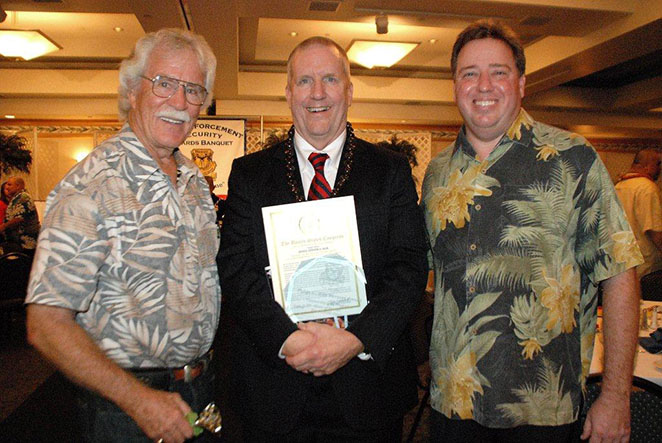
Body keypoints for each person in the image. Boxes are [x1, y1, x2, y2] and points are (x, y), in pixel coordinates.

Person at [421, 20, 642, 442]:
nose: (483, 85)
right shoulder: (436, 175)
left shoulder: (573, 159)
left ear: (521, 84)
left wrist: (616, 395)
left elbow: (619, 273)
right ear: (454, 86)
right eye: (469, 73)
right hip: (452, 405)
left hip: (543, 409)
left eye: (498, 72)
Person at [218, 36, 428, 441]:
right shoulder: (250, 174)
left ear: (349, 91)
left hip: (369, 388)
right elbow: (236, 268)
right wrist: (287, 340)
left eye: (330, 79)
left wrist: (355, 339)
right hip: (273, 386)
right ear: (288, 93)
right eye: (305, 81)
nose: (317, 93)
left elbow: (409, 266)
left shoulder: (389, 171)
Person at [25, 28, 220, 443]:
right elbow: (45, 323)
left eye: (193, 90)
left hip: (200, 392)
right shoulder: (91, 186)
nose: (180, 102)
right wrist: (137, 400)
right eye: (164, 84)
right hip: (123, 408)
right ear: (132, 91)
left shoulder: (194, 183)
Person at [615, 149, 662, 300]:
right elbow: (654, 231)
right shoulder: (647, 188)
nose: (659, 169)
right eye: (657, 164)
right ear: (647, 166)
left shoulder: (618, 187)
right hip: (645, 267)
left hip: (621, 263)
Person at [0, 176, 40, 257]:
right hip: (18, 242)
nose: (6, 187)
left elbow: (19, 219)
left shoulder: (23, 197)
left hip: (26, 243)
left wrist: (3, 227)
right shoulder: (16, 198)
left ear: (18, 186)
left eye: (9, 184)